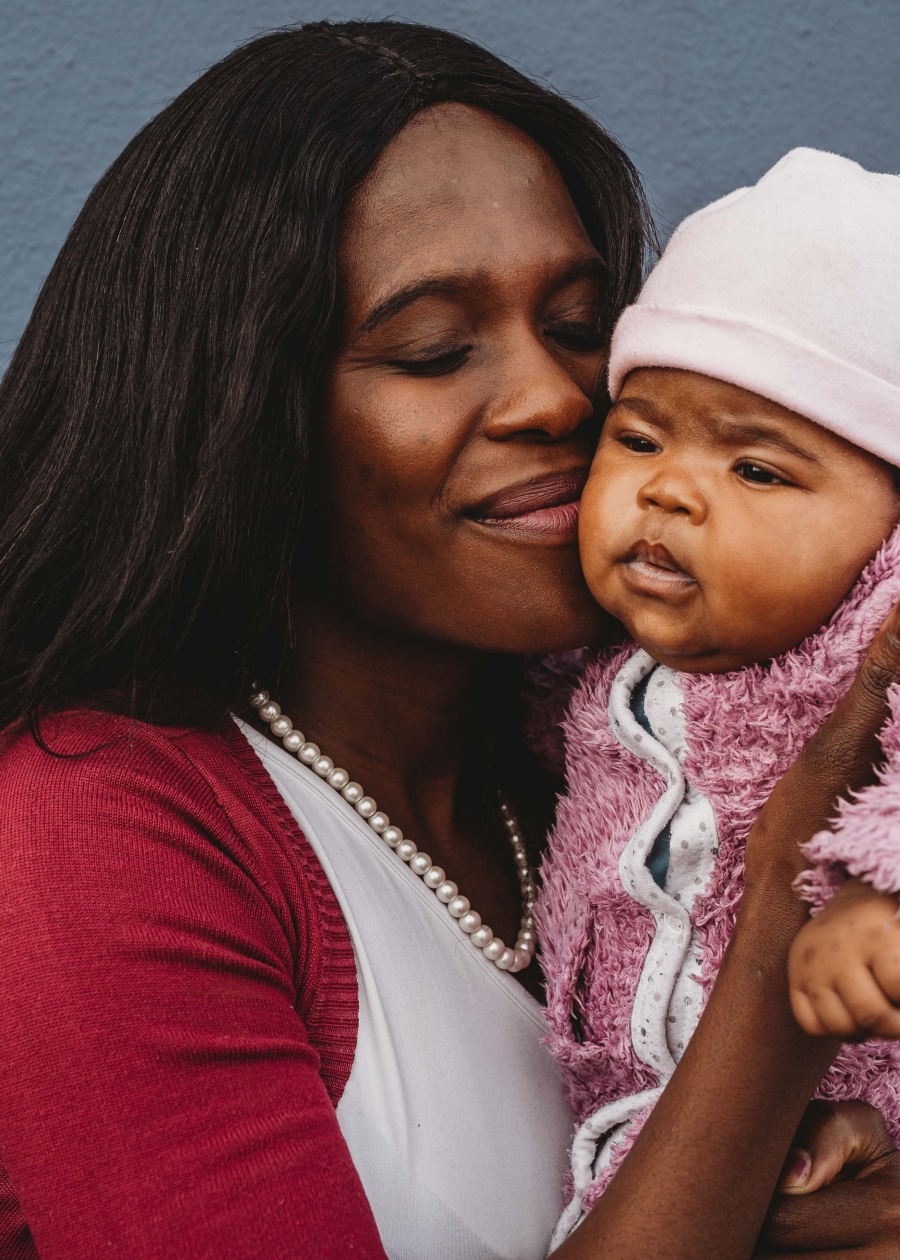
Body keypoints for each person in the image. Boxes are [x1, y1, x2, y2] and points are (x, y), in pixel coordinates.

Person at [0, 22, 898, 1260]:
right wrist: (778, 974)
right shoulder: (96, 828)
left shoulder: (618, 778)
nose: (557, 398)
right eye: (433, 349)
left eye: (584, 325)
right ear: (242, 409)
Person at [539, 147, 900, 1243]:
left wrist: (874, 905)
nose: (668, 489)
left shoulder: (867, 661)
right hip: (661, 1143)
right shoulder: (586, 663)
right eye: (637, 436)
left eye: (757, 470)